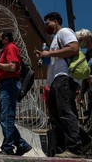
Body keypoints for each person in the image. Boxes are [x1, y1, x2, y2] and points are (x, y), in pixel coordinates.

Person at [35, 12, 83, 158]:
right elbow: (53, 61)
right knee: (56, 117)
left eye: (48, 23)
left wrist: (49, 54)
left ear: (56, 21)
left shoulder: (64, 31)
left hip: (65, 78)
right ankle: (64, 149)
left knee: (66, 113)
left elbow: (73, 48)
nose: (46, 26)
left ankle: (74, 149)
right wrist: (44, 57)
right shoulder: (54, 40)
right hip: (55, 81)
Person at [0, 31, 32, 156]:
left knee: (6, 117)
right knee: (4, 117)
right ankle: (22, 145)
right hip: (5, 85)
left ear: (5, 39)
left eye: (0, 38)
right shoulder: (7, 49)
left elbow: (12, 67)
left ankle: (7, 148)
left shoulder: (10, 47)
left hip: (9, 84)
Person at [76, 29, 92, 134]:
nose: (85, 44)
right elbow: (85, 78)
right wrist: (81, 94)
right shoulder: (87, 56)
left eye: (85, 41)